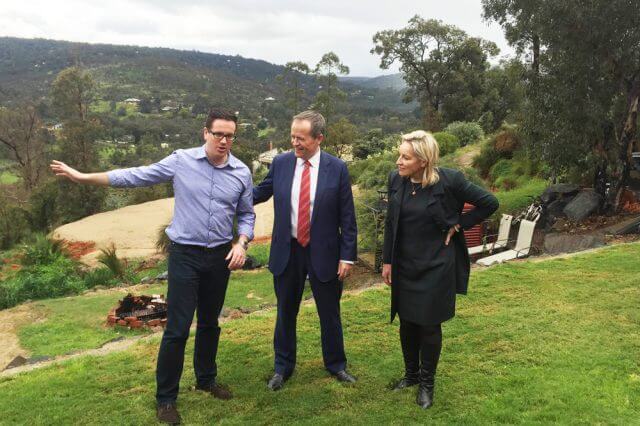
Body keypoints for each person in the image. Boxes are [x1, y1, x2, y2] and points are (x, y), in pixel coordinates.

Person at [50, 109, 255, 424]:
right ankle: (166, 400)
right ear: (206, 133)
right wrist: (83, 176)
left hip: (219, 258)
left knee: (211, 323)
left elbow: (246, 213)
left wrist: (241, 243)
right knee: (177, 328)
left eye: (230, 135)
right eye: (219, 134)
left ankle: (206, 379)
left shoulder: (241, 172)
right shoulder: (181, 161)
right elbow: (135, 175)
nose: (224, 141)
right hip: (185, 255)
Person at [381, 130, 498, 409]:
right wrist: (387, 261)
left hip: (436, 264)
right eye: (399, 154)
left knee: (429, 325)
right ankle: (410, 375)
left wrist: (458, 224)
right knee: (407, 322)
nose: (398, 161)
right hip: (405, 264)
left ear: (423, 160)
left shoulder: (450, 181)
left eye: (405, 157)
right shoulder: (396, 180)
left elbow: (489, 203)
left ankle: (427, 385)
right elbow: (391, 223)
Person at [253, 110, 358, 390]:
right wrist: (227, 193)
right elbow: (258, 193)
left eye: (301, 138)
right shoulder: (281, 163)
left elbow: (348, 217)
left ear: (319, 138)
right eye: (292, 137)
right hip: (288, 252)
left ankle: (336, 365)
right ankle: (282, 368)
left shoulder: (336, 168)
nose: (295, 143)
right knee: (285, 313)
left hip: (324, 252)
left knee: (330, 313)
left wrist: (347, 256)